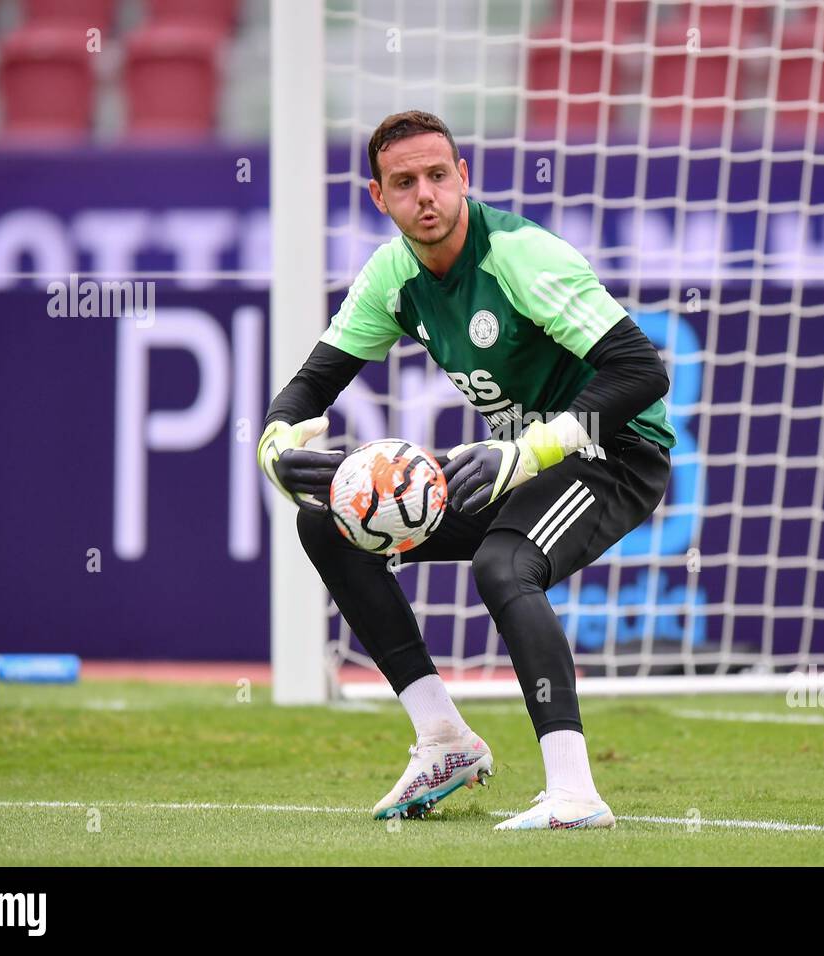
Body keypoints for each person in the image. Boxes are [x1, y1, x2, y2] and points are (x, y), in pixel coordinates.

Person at [258, 110, 675, 830]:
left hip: (613, 453)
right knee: (326, 521)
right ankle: (444, 740)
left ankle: (576, 792)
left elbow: (642, 372)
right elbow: (310, 385)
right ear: (377, 197)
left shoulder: (520, 255)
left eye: (438, 176)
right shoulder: (393, 274)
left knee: (502, 564)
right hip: (517, 461)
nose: (426, 194)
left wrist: (528, 450)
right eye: (404, 182)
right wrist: (273, 445)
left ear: (464, 178)